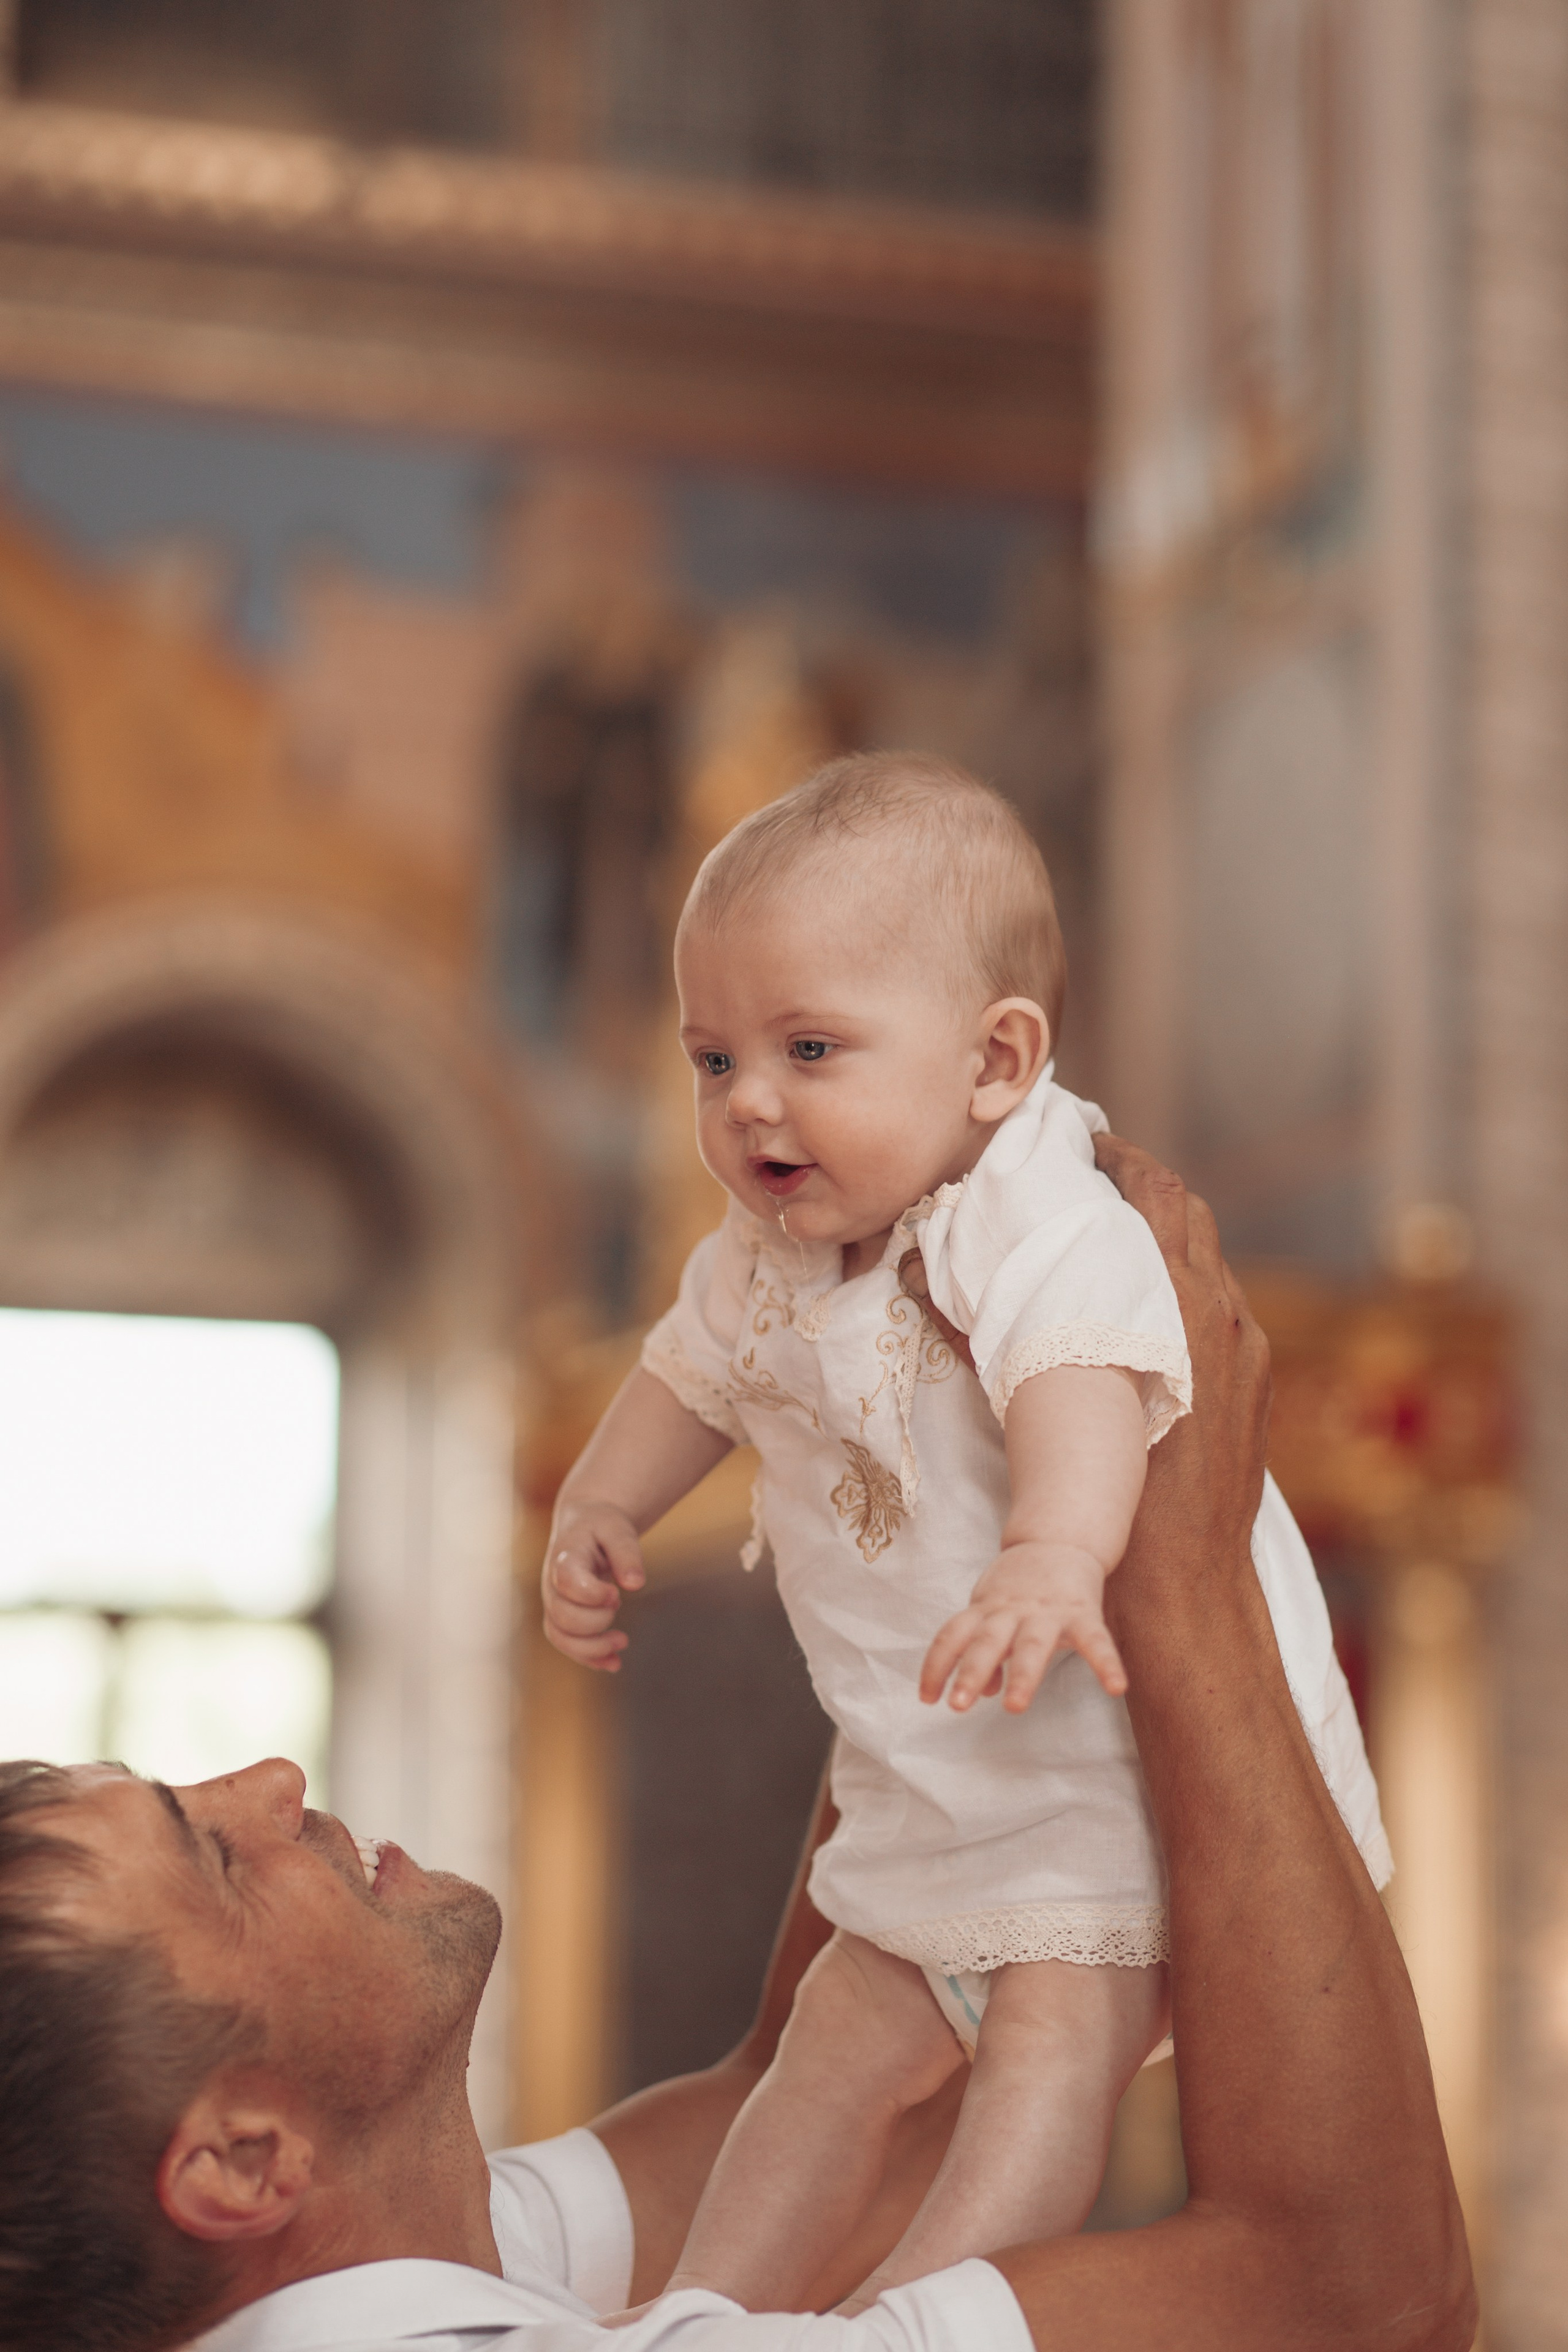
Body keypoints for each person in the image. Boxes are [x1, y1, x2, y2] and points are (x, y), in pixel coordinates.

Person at [0, 1139, 1471, 2352]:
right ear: (243, 2164)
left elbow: (820, 2098)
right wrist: (1178, 1579)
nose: (272, 1783)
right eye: (217, 1861)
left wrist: (919, 1475)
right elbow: (1366, 2302)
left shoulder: (349, 2267)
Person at [543, 754, 1392, 2309]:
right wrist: (602, 1502)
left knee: (1044, 2061)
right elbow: (681, 1376)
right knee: (827, 2051)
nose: (747, 1102)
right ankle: (696, 2320)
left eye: (808, 1047)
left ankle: (917, 2319)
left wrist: (1053, 1557)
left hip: (1095, 1776)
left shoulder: (1032, 1211)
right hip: (928, 1780)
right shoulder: (763, 1252)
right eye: (711, 1058)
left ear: (995, 1061)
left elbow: (1089, 1375)